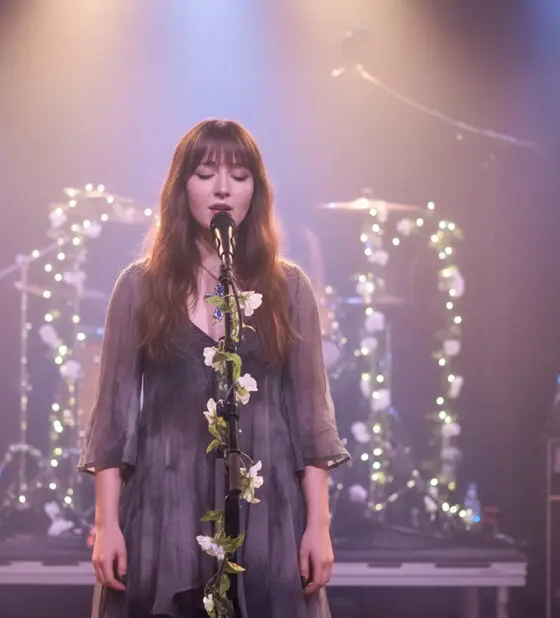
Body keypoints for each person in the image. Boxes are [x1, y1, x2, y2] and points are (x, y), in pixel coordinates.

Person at [78, 119, 350, 618]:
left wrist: (319, 525)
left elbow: (312, 421)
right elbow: (112, 421)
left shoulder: (289, 289)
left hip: (267, 514)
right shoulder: (140, 288)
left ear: (256, 192)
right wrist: (107, 524)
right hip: (166, 510)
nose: (223, 188)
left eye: (239, 176)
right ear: (182, 187)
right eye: (205, 173)